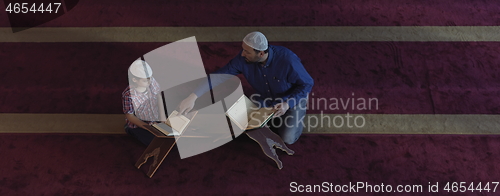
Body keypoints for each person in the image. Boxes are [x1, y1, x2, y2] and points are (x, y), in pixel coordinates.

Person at [178, 31, 314, 144]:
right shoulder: (243, 59)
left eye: (247, 52)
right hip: (265, 98)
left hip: (289, 99)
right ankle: (272, 117)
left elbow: (307, 83)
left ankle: (298, 112)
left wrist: (287, 103)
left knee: (287, 139)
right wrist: (193, 96)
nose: (242, 54)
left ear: (261, 54)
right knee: (236, 122)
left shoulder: (287, 60)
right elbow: (218, 76)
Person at [122, 60, 162, 146]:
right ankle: (130, 130)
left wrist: (162, 118)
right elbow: (130, 116)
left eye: (151, 78)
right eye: (145, 81)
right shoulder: (128, 94)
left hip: (154, 119)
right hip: (139, 124)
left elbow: (159, 97)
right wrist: (149, 128)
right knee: (154, 142)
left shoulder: (151, 81)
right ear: (134, 80)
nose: (150, 82)